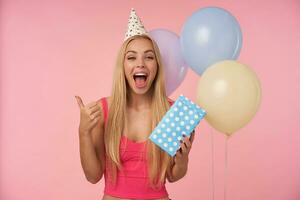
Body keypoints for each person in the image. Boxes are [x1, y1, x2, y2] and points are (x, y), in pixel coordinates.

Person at [75, 9, 195, 200]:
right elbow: (92, 176)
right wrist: (83, 133)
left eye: (149, 57)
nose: (140, 64)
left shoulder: (174, 112)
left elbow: (173, 176)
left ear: (157, 65)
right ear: (122, 66)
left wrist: (182, 160)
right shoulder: (103, 110)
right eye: (131, 57)